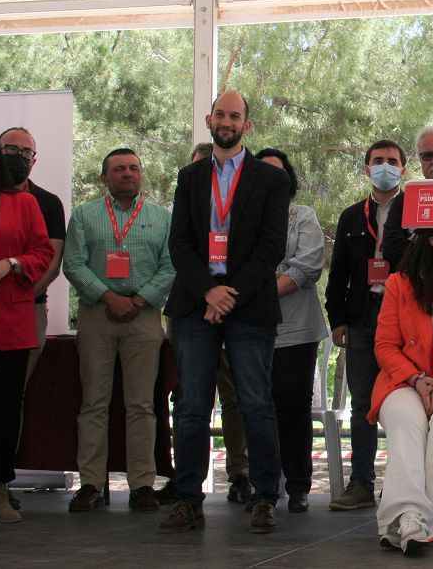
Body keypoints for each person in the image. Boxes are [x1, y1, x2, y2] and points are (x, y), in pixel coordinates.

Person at [159, 91, 290, 534]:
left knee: (256, 404)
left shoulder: (271, 180)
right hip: (195, 304)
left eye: (235, 115)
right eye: (221, 113)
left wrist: (228, 294)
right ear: (209, 119)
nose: (227, 120)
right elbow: (179, 243)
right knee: (193, 407)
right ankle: (187, 500)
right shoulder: (189, 177)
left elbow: (271, 246)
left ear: (246, 125)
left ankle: (265, 498)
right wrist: (208, 292)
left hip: (249, 305)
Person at [62, 148, 174, 513]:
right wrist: (109, 296)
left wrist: (138, 301)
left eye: (134, 168)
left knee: (141, 405)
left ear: (141, 174)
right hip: (97, 313)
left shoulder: (162, 218)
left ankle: (142, 484)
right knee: (94, 403)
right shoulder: (84, 215)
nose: (128, 173)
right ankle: (91, 484)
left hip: (143, 317)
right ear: (104, 178)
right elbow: (74, 264)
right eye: (119, 169)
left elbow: (171, 267)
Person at [369, 228, 433, 556]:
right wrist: (416, 379)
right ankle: (408, 516)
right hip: (404, 381)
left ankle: (418, 520)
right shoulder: (399, 283)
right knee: (407, 423)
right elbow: (384, 346)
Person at [325, 139, 406, 511]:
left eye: (392, 161)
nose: (384, 166)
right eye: (378, 161)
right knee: (362, 404)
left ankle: (406, 486)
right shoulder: (351, 216)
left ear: (403, 170)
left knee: (406, 402)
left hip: (404, 318)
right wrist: (337, 319)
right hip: (360, 315)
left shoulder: (416, 210)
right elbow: (337, 271)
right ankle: (360, 484)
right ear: (366, 169)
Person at [253, 148, 329, 514]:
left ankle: (298, 485)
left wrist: (259, 288)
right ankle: (262, 488)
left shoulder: (302, 216)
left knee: (293, 405)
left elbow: (308, 265)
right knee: (257, 405)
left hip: (296, 329)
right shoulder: (240, 216)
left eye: (278, 174)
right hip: (251, 326)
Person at [0, 131, 54, 523]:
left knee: (5, 407)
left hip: (8, 321)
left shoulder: (23, 202)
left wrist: (9, 264)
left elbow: (43, 252)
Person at [0, 127, 65, 381]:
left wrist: (16, 298)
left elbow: (52, 263)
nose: (18, 156)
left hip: (29, 307)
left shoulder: (47, 202)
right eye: (11, 149)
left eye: (26, 152)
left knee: (14, 393)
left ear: (34, 161)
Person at [382, 125, 433, 267]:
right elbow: (391, 250)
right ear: (420, 160)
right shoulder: (406, 199)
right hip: (416, 284)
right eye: (427, 156)